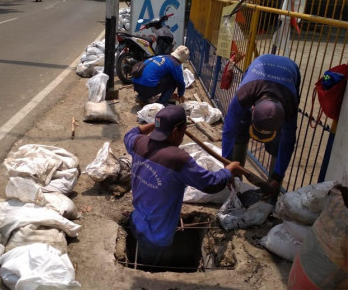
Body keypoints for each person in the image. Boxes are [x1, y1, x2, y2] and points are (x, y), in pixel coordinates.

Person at [124, 105, 244, 269]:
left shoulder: (139, 143)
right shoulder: (178, 159)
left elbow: (132, 132)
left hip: (137, 222)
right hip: (157, 236)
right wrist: (229, 170)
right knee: (154, 274)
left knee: (146, 260)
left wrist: (160, 125)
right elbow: (211, 183)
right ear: (175, 132)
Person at [222, 54, 301, 196]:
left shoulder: (290, 107)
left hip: (290, 71)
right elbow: (229, 131)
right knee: (240, 130)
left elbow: (288, 142)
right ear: (252, 109)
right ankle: (237, 178)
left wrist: (278, 176)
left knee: (278, 144)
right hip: (259, 66)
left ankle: (271, 191)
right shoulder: (244, 95)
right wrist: (227, 166)